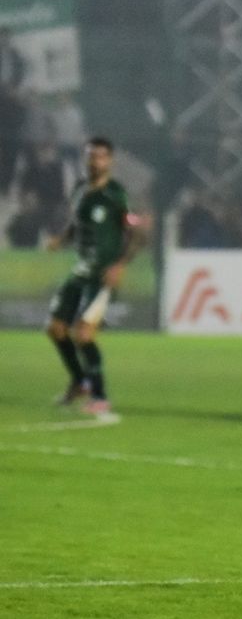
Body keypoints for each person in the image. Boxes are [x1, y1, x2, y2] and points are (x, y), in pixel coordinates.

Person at [44, 137, 139, 416]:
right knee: (56, 329)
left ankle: (100, 395)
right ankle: (79, 382)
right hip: (81, 270)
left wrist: (119, 265)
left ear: (109, 161)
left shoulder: (116, 194)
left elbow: (135, 233)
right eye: (90, 156)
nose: (93, 161)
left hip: (101, 274)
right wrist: (60, 240)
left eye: (99, 156)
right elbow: (76, 224)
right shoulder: (80, 190)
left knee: (83, 333)